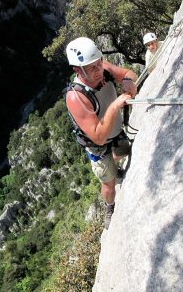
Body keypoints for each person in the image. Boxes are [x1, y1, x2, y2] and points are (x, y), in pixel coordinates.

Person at [65, 37, 138, 229]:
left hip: (115, 131)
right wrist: (115, 106)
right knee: (109, 183)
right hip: (98, 145)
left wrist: (129, 81)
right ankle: (110, 206)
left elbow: (128, 72)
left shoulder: (102, 67)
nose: (98, 71)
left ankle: (114, 163)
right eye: (91, 68)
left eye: (98, 64)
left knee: (123, 151)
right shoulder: (76, 96)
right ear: (77, 70)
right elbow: (98, 136)